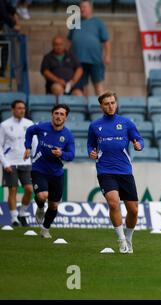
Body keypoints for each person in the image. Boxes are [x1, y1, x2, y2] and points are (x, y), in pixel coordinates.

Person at [87, 91, 144, 254]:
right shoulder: (95, 125)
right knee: (113, 202)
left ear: (116, 104)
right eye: (107, 103)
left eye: (112, 103)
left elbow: (139, 139)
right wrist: (91, 152)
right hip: (105, 170)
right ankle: (121, 241)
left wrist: (139, 145)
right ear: (101, 106)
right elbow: (90, 146)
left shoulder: (126, 123)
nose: (110, 106)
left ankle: (129, 238)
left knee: (133, 210)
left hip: (125, 171)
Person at [23, 104, 75, 238]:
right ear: (52, 115)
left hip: (56, 173)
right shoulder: (42, 127)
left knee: (53, 205)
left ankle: (45, 229)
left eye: (62, 114)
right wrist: (28, 147)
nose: (58, 116)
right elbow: (29, 131)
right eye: (56, 113)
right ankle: (40, 207)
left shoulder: (68, 135)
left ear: (66, 117)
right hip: (39, 168)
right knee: (42, 196)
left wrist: (61, 154)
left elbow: (71, 155)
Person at [0, 100, 34, 226]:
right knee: (13, 189)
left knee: (29, 189)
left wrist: (33, 158)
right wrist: (5, 163)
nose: (22, 110)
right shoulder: (4, 125)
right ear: (12, 109)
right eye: (19, 108)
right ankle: (14, 218)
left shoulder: (29, 124)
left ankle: (22, 213)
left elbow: (34, 143)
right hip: (10, 162)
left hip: (26, 162)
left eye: (23, 108)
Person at [68, 0, 110, 96]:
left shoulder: (98, 22)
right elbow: (70, 40)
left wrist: (107, 55)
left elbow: (106, 41)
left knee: (98, 85)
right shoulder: (75, 21)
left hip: (95, 60)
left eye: (84, 7)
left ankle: (103, 108)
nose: (82, 9)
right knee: (82, 87)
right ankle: (85, 110)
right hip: (78, 61)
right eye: (80, 7)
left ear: (90, 8)